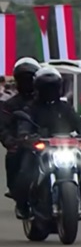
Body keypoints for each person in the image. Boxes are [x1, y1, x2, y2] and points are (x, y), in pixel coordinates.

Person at [12, 67, 81, 219]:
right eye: (46, 87)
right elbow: (24, 124)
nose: (50, 91)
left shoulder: (65, 108)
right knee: (25, 173)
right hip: (39, 150)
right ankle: (22, 205)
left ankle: (78, 203)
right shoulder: (31, 108)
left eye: (53, 87)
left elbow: (78, 122)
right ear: (38, 88)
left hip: (64, 148)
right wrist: (26, 136)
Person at [0, 58, 41, 200]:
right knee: (12, 156)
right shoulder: (10, 104)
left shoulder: (46, 102)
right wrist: (9, 140)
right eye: (23, 79)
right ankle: (15, 189)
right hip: (23, 143)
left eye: (30, 79)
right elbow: (3, 125)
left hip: (47, 142)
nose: (27, 82)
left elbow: (62, 118)